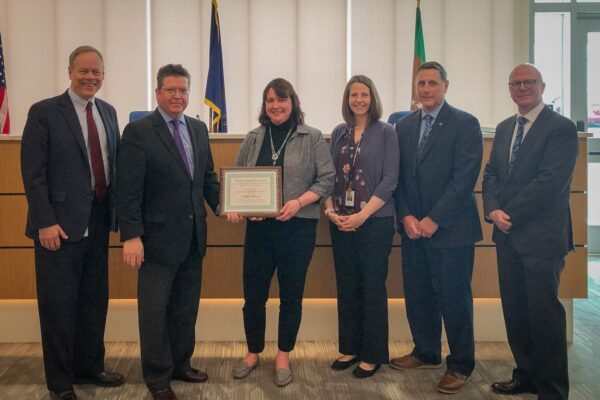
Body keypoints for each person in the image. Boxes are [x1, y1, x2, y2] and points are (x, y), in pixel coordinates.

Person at [20, 45, 123, 400]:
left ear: (103, 75)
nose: (90, 77)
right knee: (59, 305)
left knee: (95, 299)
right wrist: (45, 222)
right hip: (58, 228)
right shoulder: (45, 112)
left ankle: (90, 367)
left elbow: (113, 168)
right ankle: (61, 382)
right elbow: (33, 175)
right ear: (69, 72)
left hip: (97, 220)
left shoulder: (109, 113)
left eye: (96, 71)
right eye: (84, 71)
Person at [116, 64, 220, 400]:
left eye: (183, 91)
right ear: (158, 93)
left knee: (185, 308)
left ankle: (180, 364)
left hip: (192, 239)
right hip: (155, 241)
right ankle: (158, 377)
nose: (177, 96)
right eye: (171, 90)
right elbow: (128, 189)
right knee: (154, 311)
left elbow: (206, 180)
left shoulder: (198, 129)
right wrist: (131, 235)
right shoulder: (138, 131)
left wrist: (223, 205)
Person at [226, 78, 334, 387]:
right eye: (270, 100)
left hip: (297, 229)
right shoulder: (254, 137)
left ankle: (284, 355)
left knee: (291, 297)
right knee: (254, 296)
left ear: (293, 102)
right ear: (264, 105)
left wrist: (299, 202)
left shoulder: (312, 137)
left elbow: (326, 179)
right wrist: (234, 206)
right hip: (259, 231)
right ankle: (252, 352)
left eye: (281, 99)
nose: (275, 105)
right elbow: (237, 180)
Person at [483, 64, 578, 400]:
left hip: (541, 236)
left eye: (529, 82)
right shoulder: (507, 127)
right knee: (516, 311)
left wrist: (508, 212)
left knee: (545, 315)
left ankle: (552, 389)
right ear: (509, 89)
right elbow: (492, 173)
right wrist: (492, 209)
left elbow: (551, 183)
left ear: (542, 86)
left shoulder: (561, 129)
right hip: (506, 234)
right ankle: (525, 375)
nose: (522, 88)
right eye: (516, 83)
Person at [391, 61, 483, 394]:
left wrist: (434, 219)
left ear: (446, 85)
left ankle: (460, 364)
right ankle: (426, 351)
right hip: (413, 229)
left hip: (452, 230)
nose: (426, 89)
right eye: (421, 83)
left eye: (432, 83)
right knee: (417, 294)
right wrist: (406, 217)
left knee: (454, 298)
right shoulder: (403, 126)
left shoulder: (465, 123)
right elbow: (397, 178)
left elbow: (464, 179)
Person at [324, 75, 399, 378]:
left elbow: (390, 180)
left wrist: (362, 215)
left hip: (374, 222)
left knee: (371, 286)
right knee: (347, 285)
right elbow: (329, 177)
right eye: (353, 94)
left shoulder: (387, 132)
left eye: (364, 94)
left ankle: (373, 353)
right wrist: (330, 211)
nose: (358, 100)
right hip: (341, 222)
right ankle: (350, 347)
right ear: (347, 99)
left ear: (372, 98)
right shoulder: (339, 132)